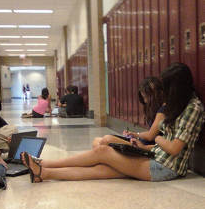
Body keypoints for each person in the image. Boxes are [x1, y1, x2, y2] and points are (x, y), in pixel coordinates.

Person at [20, 62, 204, 183]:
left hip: (164, 168)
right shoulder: (180, 103)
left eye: (167, 88)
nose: (164, 93)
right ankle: (43, 171)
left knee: (102, 151)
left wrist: (156, 141)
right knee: (102, 169)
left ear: (177, 88)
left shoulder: (193, 108)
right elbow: (166, 143)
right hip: (155, 157)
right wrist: (144, 147)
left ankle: (44, 164)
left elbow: (173, 149)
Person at [92, 76, 165, 148]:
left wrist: (136, 135)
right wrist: (134, 134)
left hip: (144, 146)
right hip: (141, 142)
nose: (145, 101)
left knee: (107, 139)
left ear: (157, 94)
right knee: (96, 141)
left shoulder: (162, 110)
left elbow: (150, 136)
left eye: (146, 97)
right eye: (143, 98)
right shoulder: (155, 109)